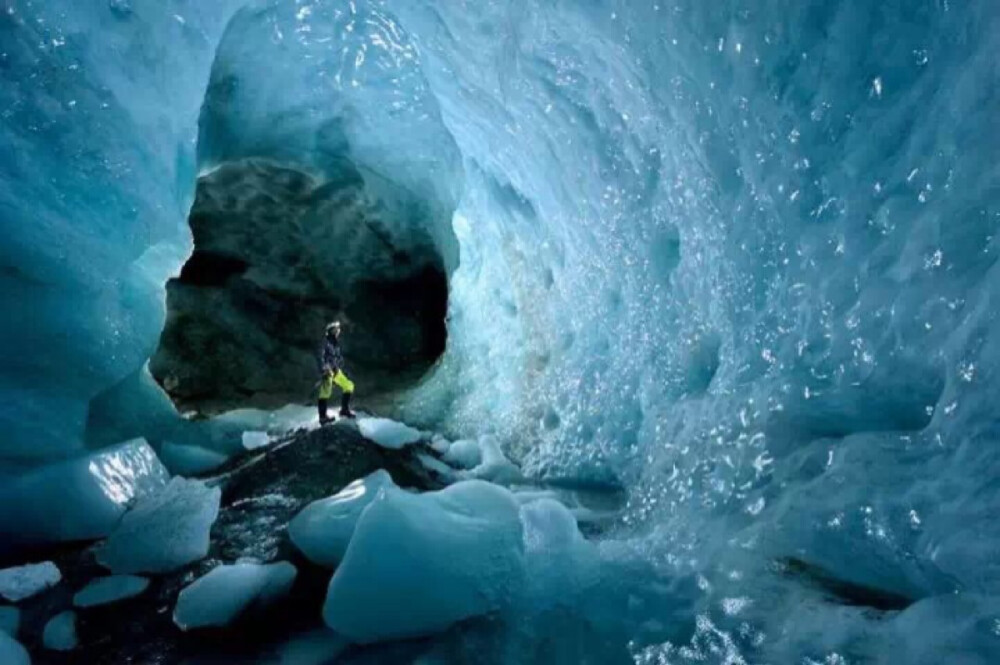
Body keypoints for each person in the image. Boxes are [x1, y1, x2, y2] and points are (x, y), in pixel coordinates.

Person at [317, 320, 355, 423]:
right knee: (325, 393)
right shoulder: (325, 342)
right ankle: (322, 417)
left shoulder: (335, 342)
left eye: (338, 329)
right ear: (330, 331)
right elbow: (320, 356)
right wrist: (325, 369)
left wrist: (339, 366)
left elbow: (338, 357)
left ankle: (344, 410)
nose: (338, 331)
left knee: (349, 386)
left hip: (335, 370)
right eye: (335, 329)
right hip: (328, 371)